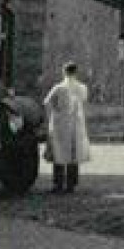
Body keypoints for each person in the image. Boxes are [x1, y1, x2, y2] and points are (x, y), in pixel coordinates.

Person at [43, 61, 91, 194]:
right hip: (76, 123)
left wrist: (55, 110)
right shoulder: (82, 87)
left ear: (64, 72)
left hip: (60, 123)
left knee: (59, 152)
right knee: (73, 153)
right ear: (75, 72)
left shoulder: (58, 87)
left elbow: (46, 102)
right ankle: (71, 184)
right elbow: (84, 102)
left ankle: (58, 184)